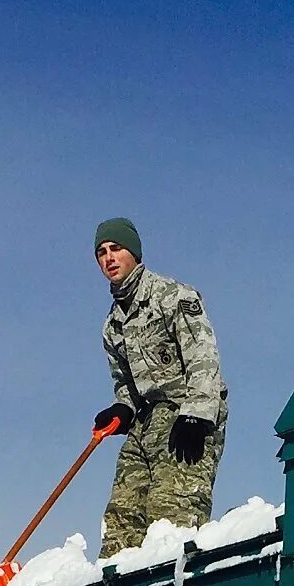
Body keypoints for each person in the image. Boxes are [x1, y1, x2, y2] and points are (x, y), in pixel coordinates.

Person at [89, 218, 226, 557]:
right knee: (122, 518)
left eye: (116, 249)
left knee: (172, 515)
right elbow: (125, 383)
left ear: (133, 252)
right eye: (101, 252)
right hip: (145, 423)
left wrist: (197, 416)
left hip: (184, 415)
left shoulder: (173, 296)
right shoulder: (112, 325)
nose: (108, 258)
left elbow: (203, 358)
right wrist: (123, 407)